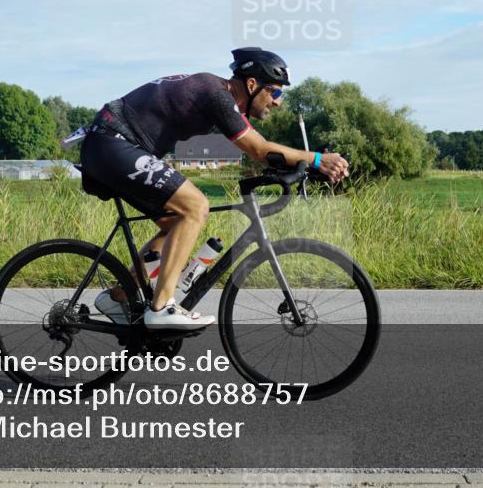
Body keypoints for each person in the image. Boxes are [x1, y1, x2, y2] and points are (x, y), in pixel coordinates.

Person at [79, 47, 349, 330]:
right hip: (114, 142)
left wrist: (298, 166)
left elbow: (263, 148)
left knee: (175, 221)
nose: (278, 102)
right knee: (195, 207)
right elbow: (258, 149)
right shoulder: (217, 94)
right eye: (276, 93)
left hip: (113, 145)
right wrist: (317, 159)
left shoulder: (222, 97)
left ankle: (118, 297)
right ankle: (161, 307)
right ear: (252, 85)